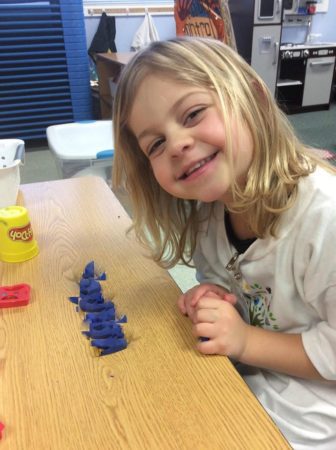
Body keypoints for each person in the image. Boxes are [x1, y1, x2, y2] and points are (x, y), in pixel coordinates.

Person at [112, 37, 336, 449]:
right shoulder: (210, 212)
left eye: (194, 113)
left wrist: (246, 341)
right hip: (244, 382)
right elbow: (244, 297)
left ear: (251, 97)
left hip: (310, 420)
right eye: (156, 144)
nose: (177, 144)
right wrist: (215, 298)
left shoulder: (326, 218)